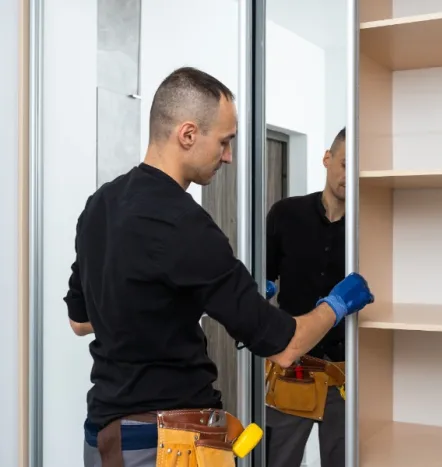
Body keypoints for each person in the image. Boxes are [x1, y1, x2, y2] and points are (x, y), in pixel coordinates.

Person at [64, 67, 374, 467]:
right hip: (166, 444)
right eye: (225, 142)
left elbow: (80, 320)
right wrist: (337, 303)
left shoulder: (99, 204)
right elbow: (285, 346)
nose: (228, 156)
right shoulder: (186, 224)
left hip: (107, 438)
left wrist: (166, 302)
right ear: (188, 134)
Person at [264, 127, 350, 467]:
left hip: (347, 373)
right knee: (278, 460)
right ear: (327, 159)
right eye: (344, 164)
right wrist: (263, 290)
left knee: (342, 459)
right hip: (292, 366)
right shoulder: (286, 214)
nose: (348, 176)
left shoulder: (370, 225)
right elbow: (264, 277)